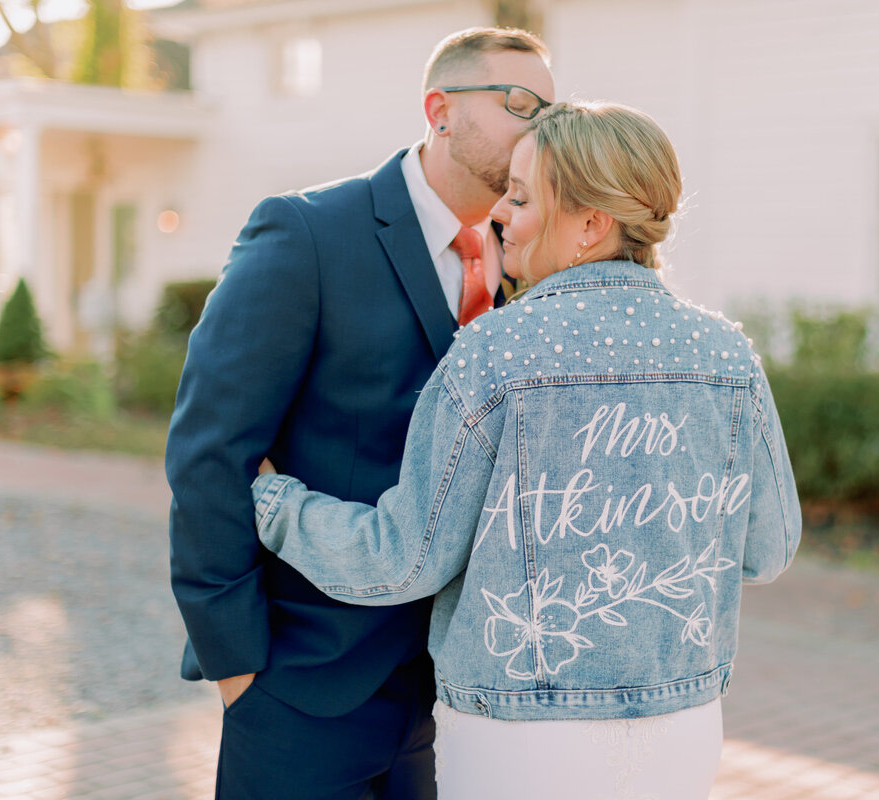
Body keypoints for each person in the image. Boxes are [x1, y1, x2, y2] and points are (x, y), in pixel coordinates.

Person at [251, 101, 802, 799]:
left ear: (591, 224)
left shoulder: (495, 350)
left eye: (519, 196)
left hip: (519, 736)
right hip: (683, 725)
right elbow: (768, 549)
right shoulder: (726, 355)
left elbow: (404, 559)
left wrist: (276, 502)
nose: (498, 214)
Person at [165, 27, 554, 800]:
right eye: (518, 102)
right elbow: (210, 451)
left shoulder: (526, 259)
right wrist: (237, 668)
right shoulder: (307, 232)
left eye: (550, 109)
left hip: (448, 694)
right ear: (440, 111)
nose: (539, 125)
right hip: (303, 683)